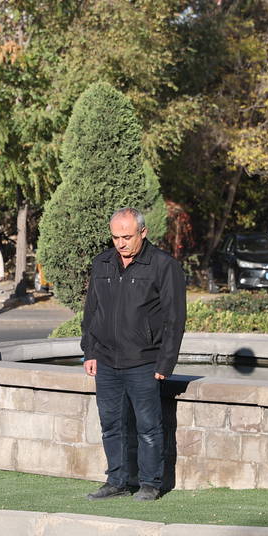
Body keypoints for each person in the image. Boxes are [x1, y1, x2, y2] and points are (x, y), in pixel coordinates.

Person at [81, 208, 186, 502]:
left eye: (127, 236)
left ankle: (150, 483)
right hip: (105, 361)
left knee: (148, 427)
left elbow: (174, 319)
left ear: (143, 232)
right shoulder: (102, 263)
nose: (121, 243)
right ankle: (116, 480)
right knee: (111, 425)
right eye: (115, 237)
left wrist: (165, 362)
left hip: (144, 361)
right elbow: (92, 311)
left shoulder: (164, 266)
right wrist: (89, 351)